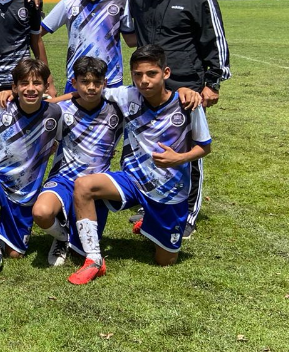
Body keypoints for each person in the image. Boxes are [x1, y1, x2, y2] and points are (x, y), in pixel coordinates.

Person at [67, 45, 210, 284]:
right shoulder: (127, 95)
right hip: (133, 180)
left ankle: (151, 223)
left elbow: (204, 147)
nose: (143, 81)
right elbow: (84, 94)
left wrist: (179, 158)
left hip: (169, 193)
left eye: (151, 74)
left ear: (165, 72)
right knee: (83, 186)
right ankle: (93, 259)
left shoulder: (188, 105)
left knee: (165, 261)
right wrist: (40, 103)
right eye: (137, 74)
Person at [121, 0, 230, 238]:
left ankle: (188, 213)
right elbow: (127, 29)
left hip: (186, 87)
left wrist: (213, 83)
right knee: (151, 147)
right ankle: (152, 202)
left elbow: (214, 39)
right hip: (149, 85)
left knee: (187, 150)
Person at [0, 59, 62, 280]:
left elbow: (73, 103)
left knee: (15, 254)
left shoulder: (55, 113)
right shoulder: (1, 107)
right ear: (14, 87)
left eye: (37, 83)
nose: (31, 88)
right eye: (24, 83)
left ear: (45, 87)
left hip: (25, 191)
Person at [31, 57, 123, 267]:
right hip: (63, 178)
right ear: (74, 83)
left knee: (83, 249)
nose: (91, 87)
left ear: (105, 83)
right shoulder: (61, 109)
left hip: (95, 185)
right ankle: (62, 237)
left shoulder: (117, 109)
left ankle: (72, 236)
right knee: (41, 212)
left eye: (96, 82)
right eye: (84, 82)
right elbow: (32, 104)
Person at [43, 0, 127, 93]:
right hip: (77, 81)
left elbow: (132, 39)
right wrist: (48, 79)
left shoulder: (120, 0)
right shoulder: (69, 3)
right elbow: (37, 33)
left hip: (110, 80)